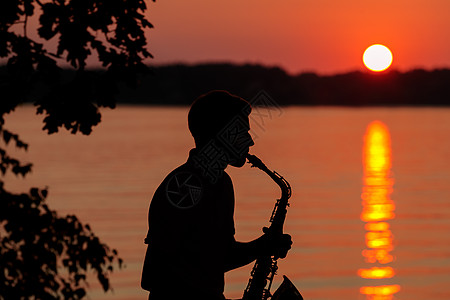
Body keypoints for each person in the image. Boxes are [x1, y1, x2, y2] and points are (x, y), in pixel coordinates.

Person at [141, 90, 292, 300]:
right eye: (242, 132)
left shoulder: (220, 182)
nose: (250, 141)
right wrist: (263, 246)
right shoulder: (184, 186)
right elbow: (164, 273)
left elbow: (220, 255)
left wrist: (264, 245)